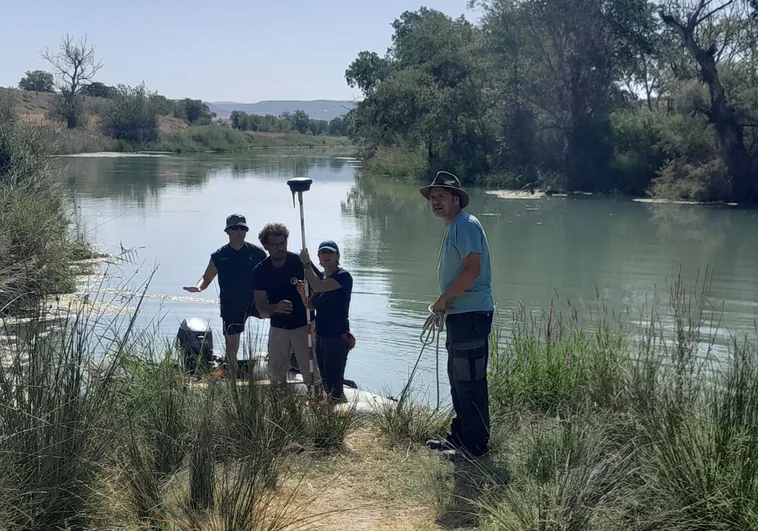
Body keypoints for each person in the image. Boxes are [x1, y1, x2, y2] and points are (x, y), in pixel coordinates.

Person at [420, 171, 495, 462]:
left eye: (442, 196)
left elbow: (472, 271)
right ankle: (460, 439)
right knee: (458, 379)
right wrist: (446, 303)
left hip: (471, 313)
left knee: (470, 381)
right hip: (461, 313)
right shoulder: (455, 226)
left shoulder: (465, 225)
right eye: (432, 197)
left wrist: (443, 299)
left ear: (456, 199)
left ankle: (475, 448)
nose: (435, 201)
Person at [183, 214, 267, 370]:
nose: (239, 232)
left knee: (280, 315)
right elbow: (207, 277)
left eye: (242, 228)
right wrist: (199, 287)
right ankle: (231, 372)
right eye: (235, 228)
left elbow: (269, 274)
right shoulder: (219, 255)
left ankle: (288, 356)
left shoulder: (257, 253)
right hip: (232, 305)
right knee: (232, 347)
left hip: (256, 301)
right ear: (228, 231)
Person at [253, 223, 321, 392]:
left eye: (282, 243)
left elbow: (321, 288)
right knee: (275, 373)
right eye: (274, 245)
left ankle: (319, 403)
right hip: (278, 327)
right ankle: (279, 406)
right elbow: (261, 307)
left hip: (303, 325)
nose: (279, 248)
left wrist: (307, 292)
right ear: (266, 246)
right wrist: (276, 307)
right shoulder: (261, 270)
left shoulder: (300, 263)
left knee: (311, 371)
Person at [297, 240, 354, 402]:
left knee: (334, 379)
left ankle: (338, 407)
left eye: (330, 253)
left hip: (337, 336)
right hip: (321, 334)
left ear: (337, 257)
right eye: (323, 253)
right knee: (325, 378)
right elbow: (310, 306)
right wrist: (302, 294)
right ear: (319, 258)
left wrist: (306, 265)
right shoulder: (320, 277)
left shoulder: (343, 277)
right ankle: (331, 408)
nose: (326, 256)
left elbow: (320, 287)